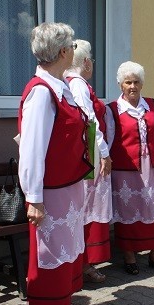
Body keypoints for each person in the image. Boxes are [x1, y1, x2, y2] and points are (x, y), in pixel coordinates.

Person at [18, 23, 94, 305]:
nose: (74, 52)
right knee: (48, 253)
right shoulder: (41, 91)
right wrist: (33, 197)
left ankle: (61, 304)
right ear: (63, 52)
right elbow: (32, 148)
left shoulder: (60, 85)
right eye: (72, 47)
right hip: (50, 191)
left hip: (69, 186)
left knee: (67, 249)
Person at [105, 61, 154, 275]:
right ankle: (129, 256)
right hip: (125, 171)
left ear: (141, 84)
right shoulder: (113, 109)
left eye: (136, 82)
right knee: (128, 212)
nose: (132, 86)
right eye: (128, 82)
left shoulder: (151, 105)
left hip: (151, 168)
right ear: (120, 85)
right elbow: (108, 141)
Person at [64, 39, 112, 283]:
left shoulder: (72, 84)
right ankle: (83, 264)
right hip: (88, 160)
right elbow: (90, 121)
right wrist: (103, 152)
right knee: (87, 209)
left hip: (85, 158)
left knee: (86, 209)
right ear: (85, 62)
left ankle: (83, 264)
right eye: (91, 58)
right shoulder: (79, 85)